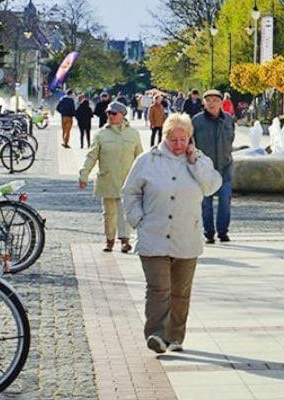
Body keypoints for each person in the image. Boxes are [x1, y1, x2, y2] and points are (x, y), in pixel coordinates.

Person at [119, 113, 220, 355]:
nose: (178, 145)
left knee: (180, 292)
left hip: (186, 236)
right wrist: (138, 220)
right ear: (164, 137)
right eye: (173, 139)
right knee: (158, 288)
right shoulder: (147, 160)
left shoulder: (200, 160)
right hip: (153, 235)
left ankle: (175, 337)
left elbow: (211, 186)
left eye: (183, 139)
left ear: (190, 139)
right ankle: (157, 335)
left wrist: (195, 162)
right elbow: (130, 192)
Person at [81, 99, 145, 252]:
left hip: (127, 180)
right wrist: (84, 174)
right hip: (107, 179)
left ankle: (124, 240)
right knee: (109, 214)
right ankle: (109, 240)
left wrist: (145, 178)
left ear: (122, 115)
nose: (110, 115)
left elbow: (140, 157)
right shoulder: (100, 134)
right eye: (108, 113)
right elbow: (91, 156)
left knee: (125, 212)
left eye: (114, 113)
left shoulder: (133, 134)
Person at [192, 88, 238, 243]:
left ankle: (223, 232)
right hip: (205, 169)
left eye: (215, 101)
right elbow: (191, 143)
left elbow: (231, 139)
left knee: (225, 201)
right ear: (204, 103)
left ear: (221, 103)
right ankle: (209, 233)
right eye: (208, 101)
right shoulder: (197, 121)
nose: (212, 104)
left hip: (225, 166)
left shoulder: (228, 119)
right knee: (206, 203)